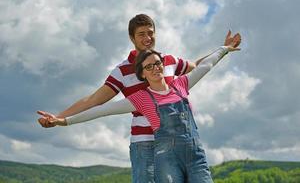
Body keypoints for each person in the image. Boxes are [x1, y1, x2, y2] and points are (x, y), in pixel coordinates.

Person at [37, 14, 240, 183]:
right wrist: (59, 118)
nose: (147, 38)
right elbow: (94, 100)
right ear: (132, 38)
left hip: (183, 142)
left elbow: (197, 66)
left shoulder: (167, 60)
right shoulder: (122, 71)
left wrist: (223, 49)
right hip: (145, 143)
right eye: (141, 34)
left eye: (150, 33)